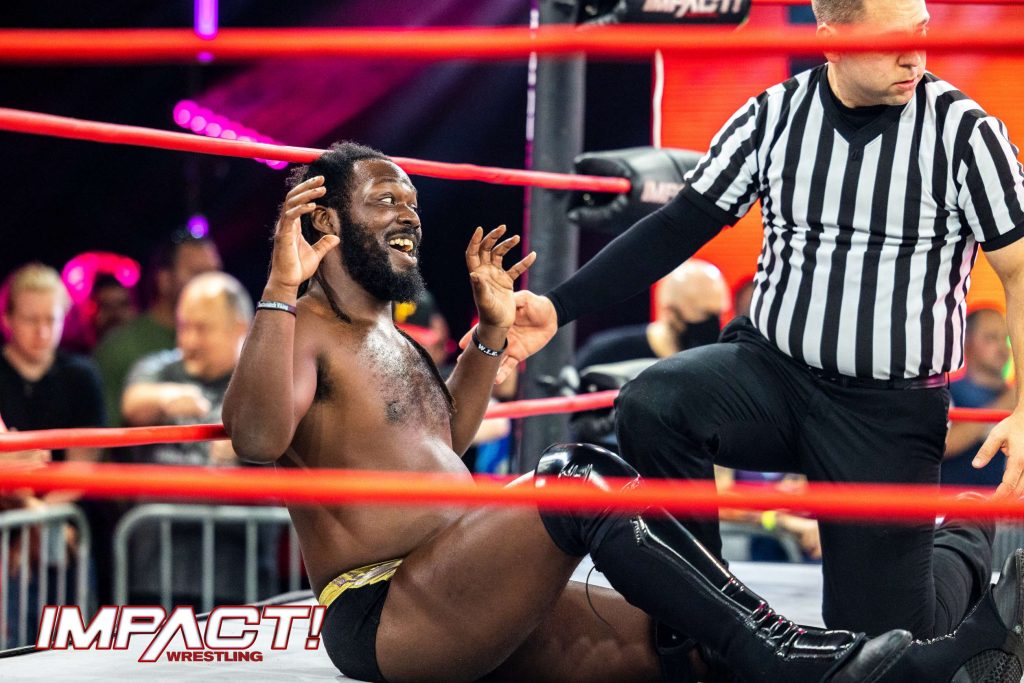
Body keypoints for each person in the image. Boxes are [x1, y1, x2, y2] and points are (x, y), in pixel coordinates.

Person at [223, 142, 1016, 682]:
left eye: (413, 199)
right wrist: (280, 286)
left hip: (465, 581)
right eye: (385, 200)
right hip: (392, 605)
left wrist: (491, 333)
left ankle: (930, 661)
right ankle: (785, 652)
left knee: (691, 646)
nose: (410, 215)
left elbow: (446, 440)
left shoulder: (388, 335)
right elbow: (257, 438)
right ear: (324, 221)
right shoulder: (302, 327)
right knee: (578, 479)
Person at [484, 0, 1024, 653]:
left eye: (922, 33)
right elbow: (681, 223)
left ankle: (966, 535)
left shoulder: (965, 134)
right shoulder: (775, 116)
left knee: (886, 643)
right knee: (654, 403)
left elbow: (1020, 269)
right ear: (831, 37)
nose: (914, 56)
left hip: (886, 412)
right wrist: (557, 305)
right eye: (892, 40)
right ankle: (710, 623)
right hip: (773, 376)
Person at [121, 271, 272, 606]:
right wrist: (165, 398)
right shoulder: (160, 368)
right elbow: (133, 403)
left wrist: (247, 440)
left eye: (202, 329)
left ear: (239, 328)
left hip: (236, 576)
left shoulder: (263, 381)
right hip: (155, 571)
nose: (189, 341)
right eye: (183, 326)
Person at [93, 233, 221, 425]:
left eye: (215, 272)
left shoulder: (229, 343)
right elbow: (104, 435)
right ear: (164, 280)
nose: (212, 284)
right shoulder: (117, 350)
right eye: (197, 273)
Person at [574, 259, 729, 370]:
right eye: (704, 313)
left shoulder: (717, 363)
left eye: (719, 313)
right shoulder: (605, 355)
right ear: (670, 312)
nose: (713, 323)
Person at [942, 308, 1015, 487]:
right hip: (955, 500)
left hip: (1005, 501)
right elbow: (944, 444)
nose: (1002, 347)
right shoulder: (947, 392)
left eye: (1005, 338)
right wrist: (1006, 403)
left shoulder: (1016, 397)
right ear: (966, 342)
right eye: (991, 337)